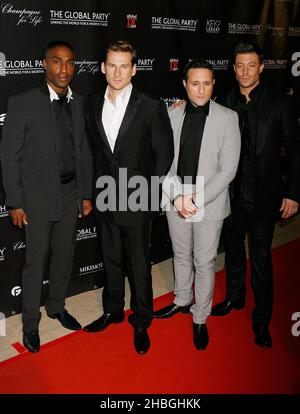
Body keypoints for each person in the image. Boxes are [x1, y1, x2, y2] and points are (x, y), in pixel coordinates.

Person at [0, 41, 93, 353]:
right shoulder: (22, 102)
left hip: (70, 194)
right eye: (57, 62)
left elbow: (84, 152)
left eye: (69, 63)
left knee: (64, 257)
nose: (64, 69)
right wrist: (14, 201)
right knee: (35, 263)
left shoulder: (79, 103)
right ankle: (30, 324)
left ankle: (56, 306)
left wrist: (86, 194)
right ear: (44, 64)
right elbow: (9, 157)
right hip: (36, 198)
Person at [83, 40, 173, 354]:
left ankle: (142, 318)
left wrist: (149, 193)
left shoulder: (150, 105)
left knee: (138, 262)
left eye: (125, 65)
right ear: (103, 68)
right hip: (105, 193)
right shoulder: (92, 103)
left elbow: (164, 154)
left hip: (138, 195)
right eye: (112, 65)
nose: (118, 72)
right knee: (110, 256)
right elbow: (95, 152)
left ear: (134, 69)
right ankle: (113, 309)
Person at [211, 42, 300, 348]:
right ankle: (234, 299)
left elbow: (296, 152)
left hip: (263, 194)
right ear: (233, 68)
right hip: (230, 194)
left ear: (261, 67)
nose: (245, 71)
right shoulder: (222, 102)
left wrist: (293, 193)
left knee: (261, 259)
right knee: (233, 251)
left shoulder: (280, 104)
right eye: (240, 65)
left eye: (251, 65)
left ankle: (262, 320)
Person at [153, 59, 241, 350]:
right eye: (195, 83)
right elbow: (162, 161)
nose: (201, 89)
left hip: (209, 198)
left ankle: (200, 316)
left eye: (206, 83)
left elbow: (228, 169)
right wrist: (177, 196)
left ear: (214, 84)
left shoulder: (228, 117)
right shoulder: (171, 114)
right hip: (177, 196)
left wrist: (196, 199)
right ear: (184, 85)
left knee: (204, 261)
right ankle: (181, 299)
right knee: (180, 254)